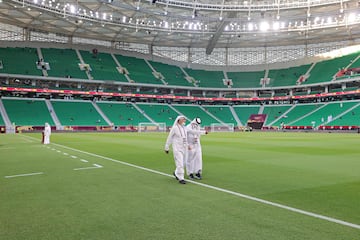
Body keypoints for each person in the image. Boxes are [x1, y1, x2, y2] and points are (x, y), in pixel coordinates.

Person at [164, 116, 188, 184]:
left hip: (184, 148)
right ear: (178, 120)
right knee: (180, 163)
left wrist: (187, 145)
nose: (184, 120)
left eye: (184, 119)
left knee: (183, 163)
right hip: (177, 148)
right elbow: (170, 137)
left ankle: (176, 172)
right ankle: (181, 178)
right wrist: (167, 147)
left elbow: (185, 138)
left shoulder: (184, 128)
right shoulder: (174, 128)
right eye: (183, 119)